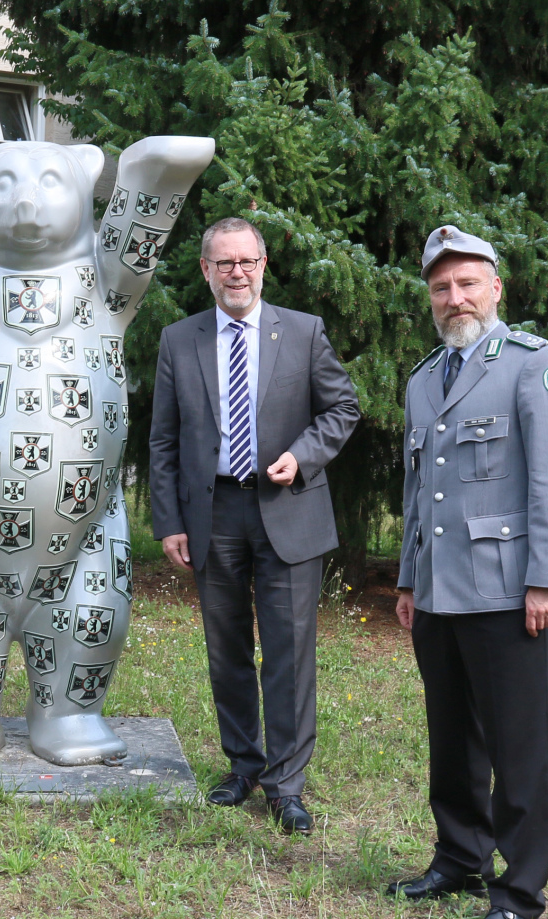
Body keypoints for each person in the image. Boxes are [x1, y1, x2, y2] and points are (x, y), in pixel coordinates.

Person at [390, 226, 548, 919]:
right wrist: (410, 579)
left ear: (496, 288)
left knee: (520, 744)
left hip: (510, 595)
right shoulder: (423, 378)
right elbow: (419, 494)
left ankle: (519, 893)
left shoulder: (535, 367)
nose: (455, 298)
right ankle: (459, 860)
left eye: (468, 283)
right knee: (452, 739)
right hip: (440, 596)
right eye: (442, 287)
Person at [149, 217, 360, 833]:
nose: (235, 273)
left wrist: (304, 455)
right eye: (223, 263)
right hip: (212, 515)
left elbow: (342, 407)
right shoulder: (178, 340)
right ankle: (244, 764)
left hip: (287, 508)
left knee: (290, 653)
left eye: (246, 262)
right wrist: (169, 523)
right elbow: (163, 441)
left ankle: (286, 784)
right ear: (205, 271)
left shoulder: (301, 332)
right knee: (228, 649)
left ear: (263, 266)